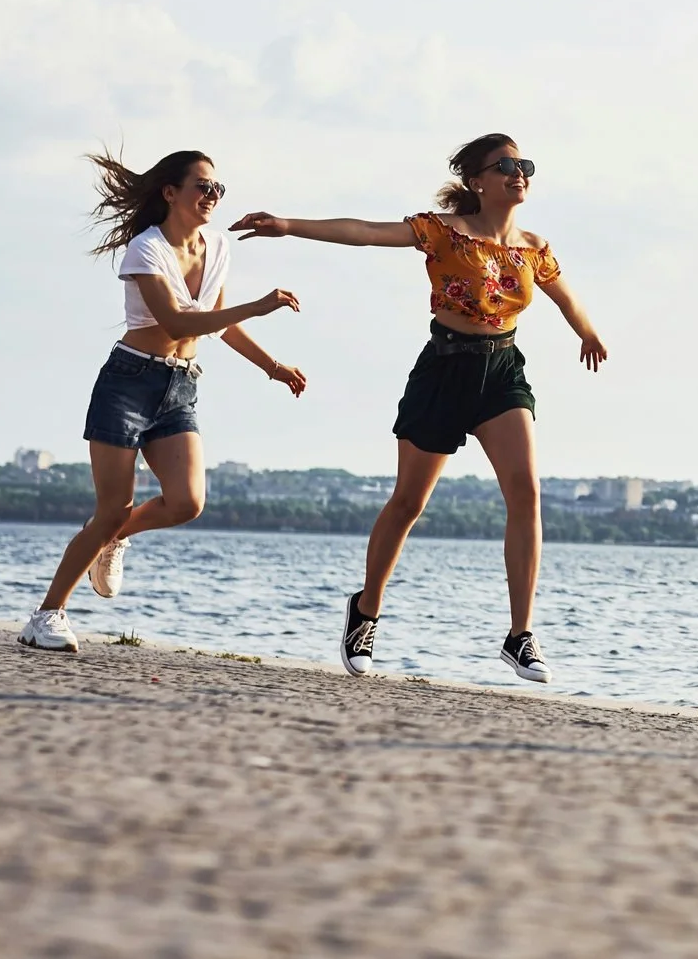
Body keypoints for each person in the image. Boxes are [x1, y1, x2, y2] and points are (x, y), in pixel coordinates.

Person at [231, 134, 606, 683]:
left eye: (524, 165)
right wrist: (289, 225)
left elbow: (566, 297)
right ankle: (366, 611)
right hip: (444, 371)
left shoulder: (533, 247)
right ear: (478, 180)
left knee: (526, 493)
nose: (518, 173)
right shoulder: (442, 232)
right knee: (409, 501)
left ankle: (520, 634)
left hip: (502, 373)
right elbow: (362, 233)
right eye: (505, 166)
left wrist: (588, 334)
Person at [18, 151, 306, 653]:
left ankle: (111, 537)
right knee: (112, 508)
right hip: (127, 384)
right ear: (171, 193)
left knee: (187, 502)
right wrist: (261, 305)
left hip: (180, 386)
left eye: (218, 188)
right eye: (202, 186)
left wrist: (272, 366)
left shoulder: (217, 247)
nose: (212, 196)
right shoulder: (144, 251)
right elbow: (175, 323)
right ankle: (47, 616)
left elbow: (218, 320)